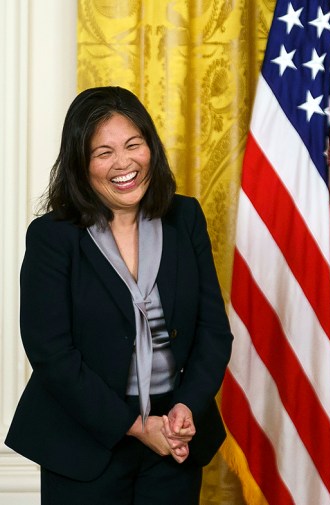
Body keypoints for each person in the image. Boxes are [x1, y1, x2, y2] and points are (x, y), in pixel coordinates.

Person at [5, 86, 234, 504]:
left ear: (152, 148)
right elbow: (51, 352)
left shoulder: (185, 218)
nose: (124, 163)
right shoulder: (52, 237)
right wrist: (133, 425)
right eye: (103, 152)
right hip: (84, 441)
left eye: (134, 145)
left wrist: (185, 408)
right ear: (81, 163)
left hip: (172, 440)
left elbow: (213, 332)